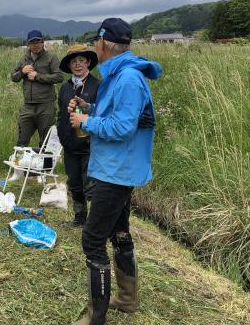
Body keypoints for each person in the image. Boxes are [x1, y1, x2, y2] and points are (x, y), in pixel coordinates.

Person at [68, 18, 162, 324]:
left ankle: (97, 316)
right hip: (116, 167)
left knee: (93, 240)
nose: (94, 46)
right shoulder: (118, 74)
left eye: (96, 41)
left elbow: (122, 127)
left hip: (116, 171)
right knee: (119, 233)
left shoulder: (127, 79)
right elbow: (116, 115)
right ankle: (127, 299)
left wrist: (85, 123)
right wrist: (90, 109)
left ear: (104, 43)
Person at [9, 30, 63, 181]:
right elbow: (13, 77)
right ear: (28, 44)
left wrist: (37, 76)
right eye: (32, 42)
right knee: (22, 140)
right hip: (28, 106)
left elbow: (59, 76)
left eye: (38, 41)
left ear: (43, 42)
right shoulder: (24, 58)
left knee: (44, 141)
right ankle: (18, 172)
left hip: (46, 104)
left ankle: (42, 174)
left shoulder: (51, 57)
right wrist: (22, 71)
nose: (36, 45)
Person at [57, 45, 99, 227]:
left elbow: (103, 114)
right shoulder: (65, 87)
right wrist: (61, 134)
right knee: (74, 182)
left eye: (81, 60)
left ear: (88, 62)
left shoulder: (97, 85)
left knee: (91, 186)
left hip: (91, 145)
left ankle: (96, 222)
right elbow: (61, 114)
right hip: (70, 145)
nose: (77, 64)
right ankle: (80, 218)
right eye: (73, 62)